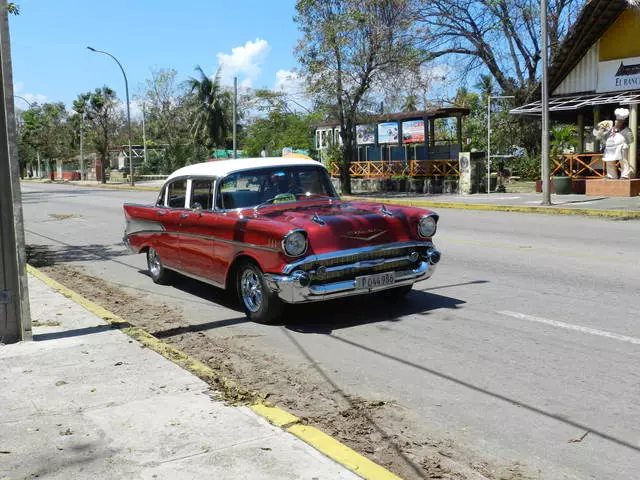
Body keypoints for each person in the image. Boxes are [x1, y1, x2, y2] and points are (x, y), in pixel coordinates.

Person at [593, 108, 634, 179]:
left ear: (623, 122)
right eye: (617, 121)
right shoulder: (609, 130)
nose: (618, 123)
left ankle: (625, 176)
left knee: (623, 161)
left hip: (622, 147)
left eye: (620, 121)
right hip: (610, 147)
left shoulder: (627, 130)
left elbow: (631, 140)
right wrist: (601, 132)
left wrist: (624, 141)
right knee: (609, 161)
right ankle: (611, 176)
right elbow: (598, 138)